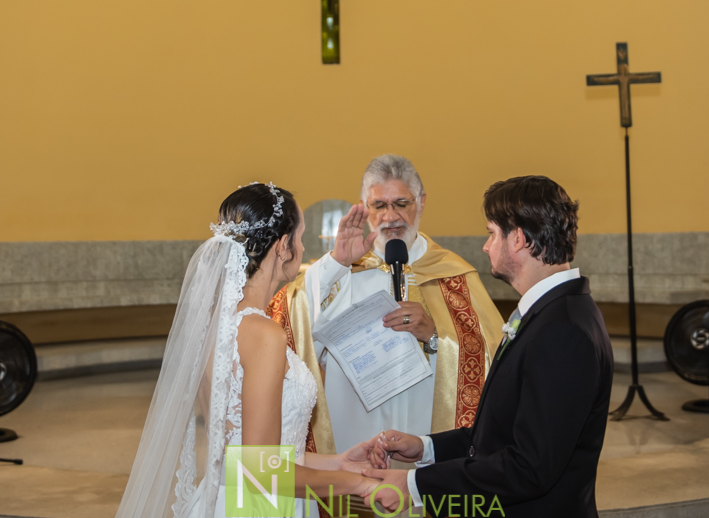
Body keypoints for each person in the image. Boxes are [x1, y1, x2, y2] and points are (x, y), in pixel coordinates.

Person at [115, 183, 384, 518]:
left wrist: (338, 462)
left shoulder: (217, 326)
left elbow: (242, 451)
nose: (302, 247)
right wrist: (355, 484)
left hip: (232, 500)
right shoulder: (263, 334)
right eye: (300, 236)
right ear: (284, 246)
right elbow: (261, 471)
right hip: (261, 507)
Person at [364, 175, 613, 518]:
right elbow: (504, 432)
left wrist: (413, 486)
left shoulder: (563, 331)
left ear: (519, 240)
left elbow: (529, 468)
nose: (486, 245)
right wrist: (427, 447)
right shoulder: (553, 312)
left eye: (492, 233)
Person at [267, 156, 505, 463]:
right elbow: (286, 319)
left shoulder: (453, 275)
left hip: (426, 440)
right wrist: (335, 263)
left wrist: (435, 335)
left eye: (401, 203)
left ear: (421, 202)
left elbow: (490, 357)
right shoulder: (336, 273)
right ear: (364, 206)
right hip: (352, 437)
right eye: (379, 205)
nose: (390, 216)